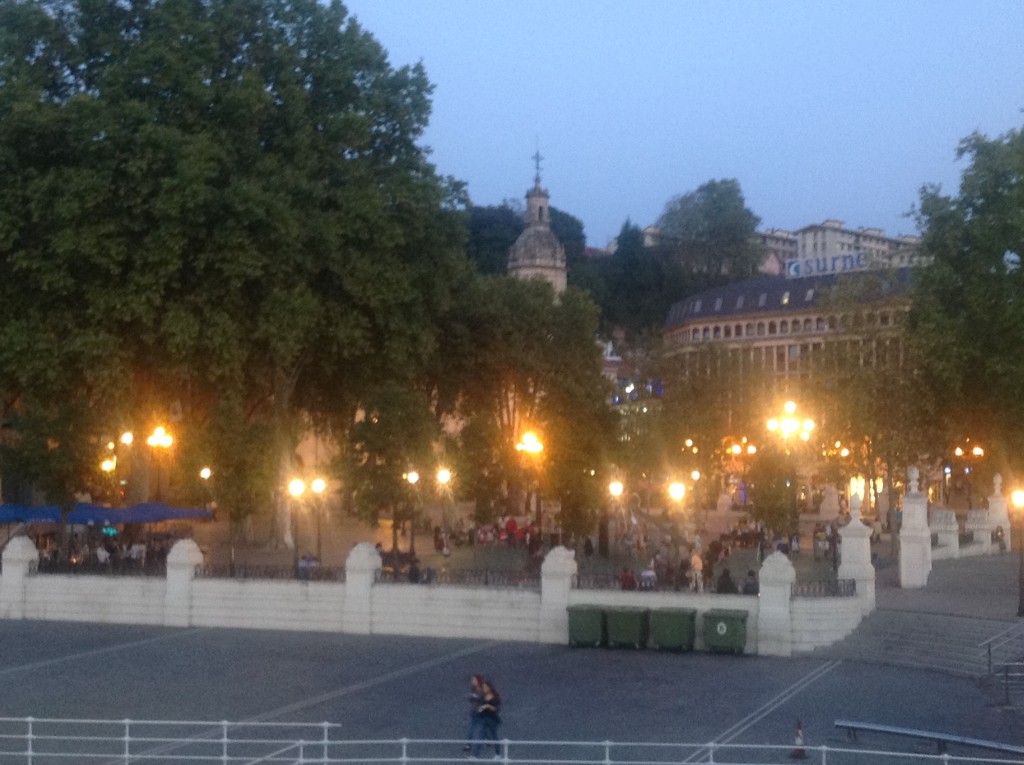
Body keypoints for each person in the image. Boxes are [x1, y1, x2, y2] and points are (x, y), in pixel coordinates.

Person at [471, 680, 501, 758]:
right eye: (483, 687)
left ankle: (498, 754)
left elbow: (496, 709)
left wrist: (488, 706)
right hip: (484, 718)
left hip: (492, 719)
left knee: (494, 736)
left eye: (485, 687)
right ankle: (475, 755)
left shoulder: (495, 697)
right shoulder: (482, 697)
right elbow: (478, 705)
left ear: (489, 687)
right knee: (480, 735)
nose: (484, 689)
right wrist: (479, 709)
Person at [462, 674, 484, 752]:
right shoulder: (473, 689)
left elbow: (483, 700)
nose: (472, 681)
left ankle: (488, 740)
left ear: (478, 681)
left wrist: (476, 697)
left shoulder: (482, 690)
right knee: (469, 729)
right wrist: (466, 712)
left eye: (474, 680)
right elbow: (471, 703)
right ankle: (468, 744)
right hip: (472, 712)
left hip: (480, 713)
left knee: (483, 729)